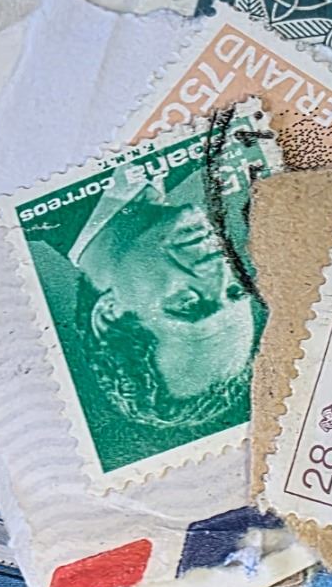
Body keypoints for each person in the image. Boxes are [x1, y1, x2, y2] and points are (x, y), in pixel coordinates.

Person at [65, 157, 259, 445]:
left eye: (188, 304)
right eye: (235, 290)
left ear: (110, 314)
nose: (219, 269)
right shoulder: (199, 149)